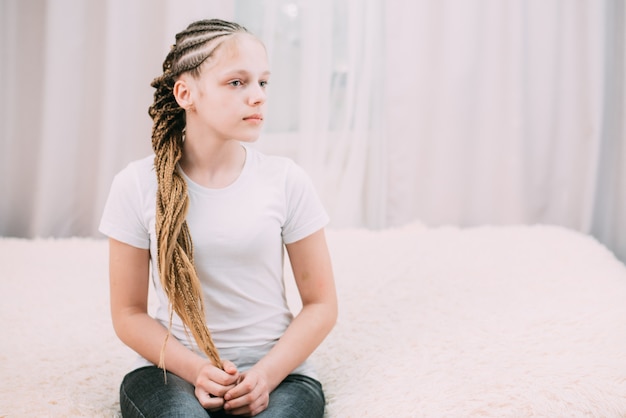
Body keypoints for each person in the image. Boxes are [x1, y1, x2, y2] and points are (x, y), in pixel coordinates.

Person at [99, 18, 337, 418]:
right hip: (171, 372)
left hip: (279, 374)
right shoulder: (135, 185)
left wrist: (265, 375)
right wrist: (196, 370)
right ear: (185, 93)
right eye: (237, 82)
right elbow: (128, 313)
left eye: (263, 82)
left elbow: (321, 305)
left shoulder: (286, 180)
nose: (258, 96)